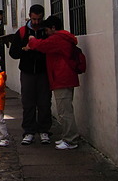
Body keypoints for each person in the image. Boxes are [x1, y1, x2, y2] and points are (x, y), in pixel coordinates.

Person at [24, 15, 80, 150]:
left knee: (65, 112)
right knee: (65, 110)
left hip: (62, 78)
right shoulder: (63, 37)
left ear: (53, 28)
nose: (46, 33)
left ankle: (70, 140)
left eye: (47, 30)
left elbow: (42, 45)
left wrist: (32, 41)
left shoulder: (58, 39)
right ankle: (67, 137)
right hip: (63, 77)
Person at [8, 4, 52, 145]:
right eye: (34, 19)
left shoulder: (47, 31)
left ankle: (44, 130)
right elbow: (13, 53)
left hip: (43, 71)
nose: (36, 22)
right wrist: (24, 49)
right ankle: (29, 131)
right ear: (29, 16)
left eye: (39, 19)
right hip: (27, 72)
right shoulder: (22, 32)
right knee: (28, 103)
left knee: (45, 102)